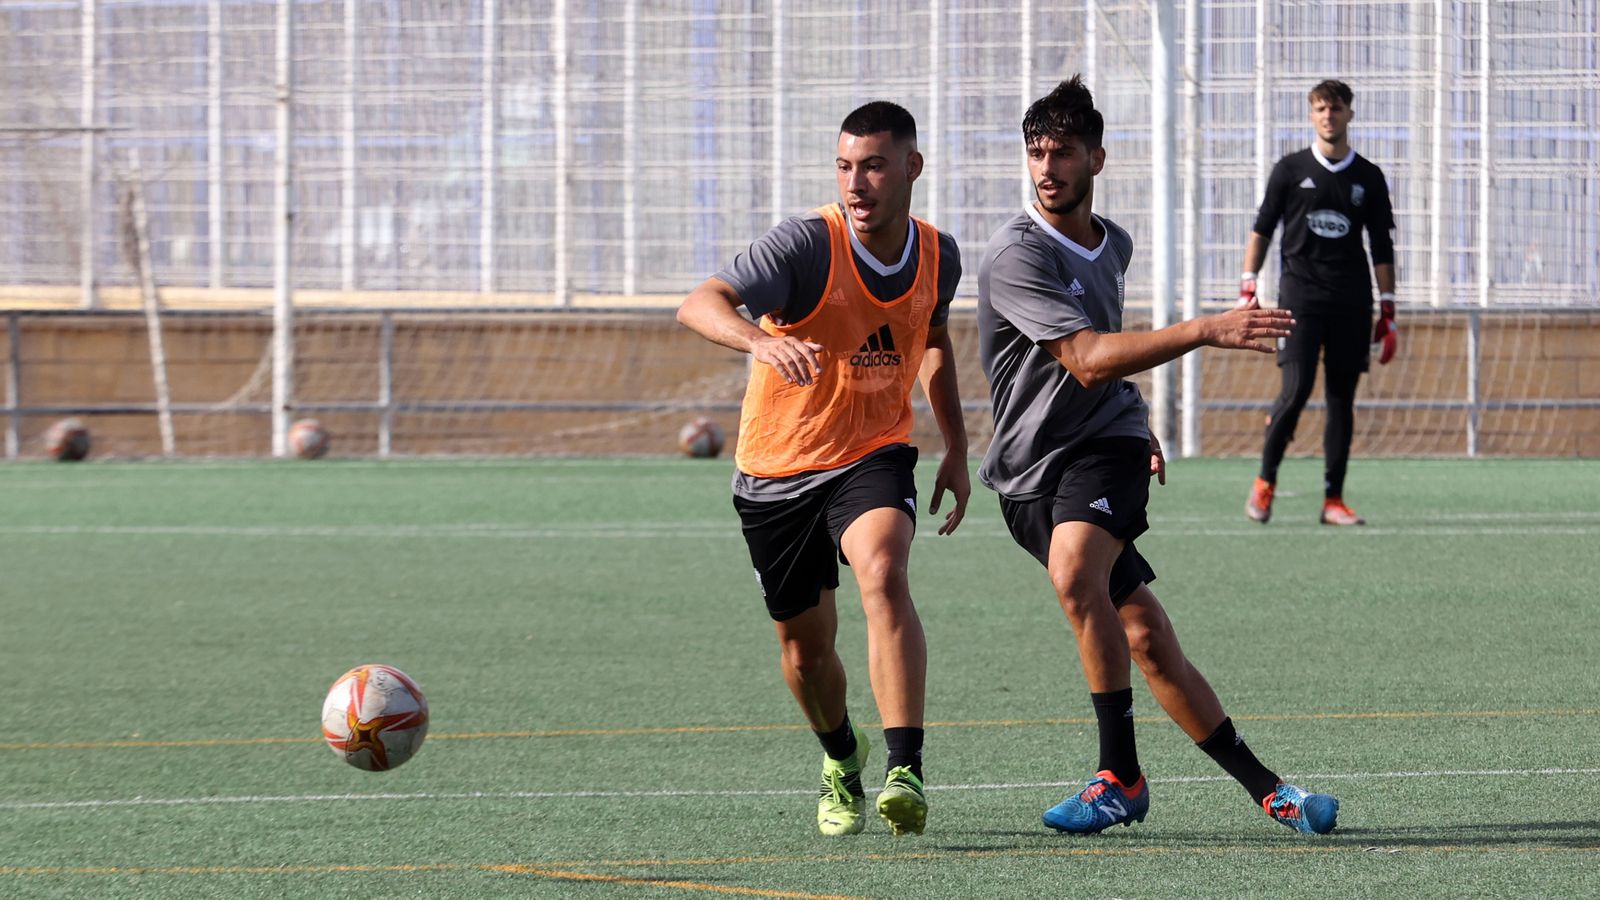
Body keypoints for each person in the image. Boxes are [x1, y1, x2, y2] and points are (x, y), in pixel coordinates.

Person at [976, 76, 1340, 836]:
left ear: (1097, 159)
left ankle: (1120, 777)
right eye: (1037, 153)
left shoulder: (1113, 241)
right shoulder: (1015, 255)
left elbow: (1100, 364)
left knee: (1077, 572)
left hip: (1102, 452)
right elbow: (1085, 356)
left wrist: (1135, 424)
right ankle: (1273, 790)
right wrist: (1205, 328)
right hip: (1025, 475)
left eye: (1063, 153)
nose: (1047, 168)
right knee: (1143, 635)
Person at [676, 101, 969, 838]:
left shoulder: (940, 254)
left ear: (911, 167)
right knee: (805, 656)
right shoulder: (805, 246)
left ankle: (907, 767)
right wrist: (758, 341)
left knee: (883, 571)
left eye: (872, 165)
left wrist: (958, 447)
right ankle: (843, 756)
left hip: (873, 453)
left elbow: (932, 339)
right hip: (776, 469)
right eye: (844, 166)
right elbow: (698, 304)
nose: (856, 183)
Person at [1242, 79, 1397, 526]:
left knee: (1341, 400)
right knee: (1295, 389)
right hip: (1300, 298)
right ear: (1312, 115)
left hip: (1352, 300)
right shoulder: (1289, 170)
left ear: (1350, 113)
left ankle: (1333, 499)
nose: (1329, 115)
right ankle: (1265, 482)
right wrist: (1248, 284)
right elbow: (1264, 228)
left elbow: (1382, 245)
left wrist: (1388, 308)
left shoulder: (1368, 177)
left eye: (1337, 108)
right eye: (1321, 108)